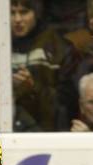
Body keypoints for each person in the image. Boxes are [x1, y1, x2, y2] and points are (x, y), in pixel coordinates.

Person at [10, 0, 81, 131]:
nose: (17, 19)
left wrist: (32, 88)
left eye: (24, 12)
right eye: (11, 13)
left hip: (48, 132)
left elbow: (67, 105)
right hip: (7, 130)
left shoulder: (59, 48)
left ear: (36, 13)